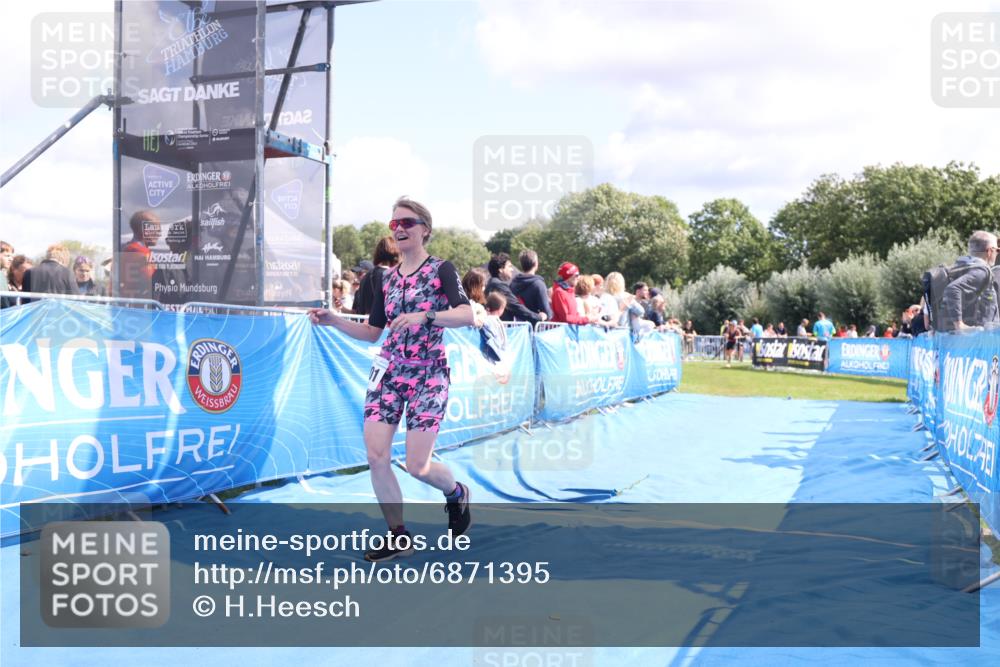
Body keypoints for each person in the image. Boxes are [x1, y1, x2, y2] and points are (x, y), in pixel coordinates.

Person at [307, 197, 474, 562]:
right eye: (394, 223)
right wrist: (334, 319)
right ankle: (398, 536)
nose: (399, 229)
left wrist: (424, 316)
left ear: (425, 229)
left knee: (418, 466)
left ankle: (456, 492)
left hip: (429, 374)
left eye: (407, 222)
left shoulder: (442, 269)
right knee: (376, 455)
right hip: (388, 373)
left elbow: (467, 315)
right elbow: (372, 332)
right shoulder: (383, 278)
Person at [942, 230, 1000, 331]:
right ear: (990, 251)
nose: (997, 253)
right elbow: (953, 289)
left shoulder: (959, 267)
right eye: (997, 250)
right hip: (981, 338)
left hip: (960, 338)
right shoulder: (982, 270)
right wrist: (959, 325)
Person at [486, 253, 544, 324]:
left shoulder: (492, 283)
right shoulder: (499, 285)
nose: (512, 269)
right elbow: (516, 306)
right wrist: (538, 317)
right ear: (501, 269)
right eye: (509, 266)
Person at [353, 237, 400, 316]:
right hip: (386, 324)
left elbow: (360, 308)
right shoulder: (393, 275)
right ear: (395, 254)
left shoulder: (365, 277)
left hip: (367, 323)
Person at [121, 210, 161, 297]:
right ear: (144, 230)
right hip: (138, 303)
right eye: (156, 229)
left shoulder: (128, 248)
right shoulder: (140, 252)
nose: (159, 234)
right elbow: (152, 279)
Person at [510, 249, 553, 321]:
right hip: (534, 328)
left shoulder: (513, 284)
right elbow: (547, 313)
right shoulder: (538, 284)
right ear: (536, 264)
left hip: (516, 328)